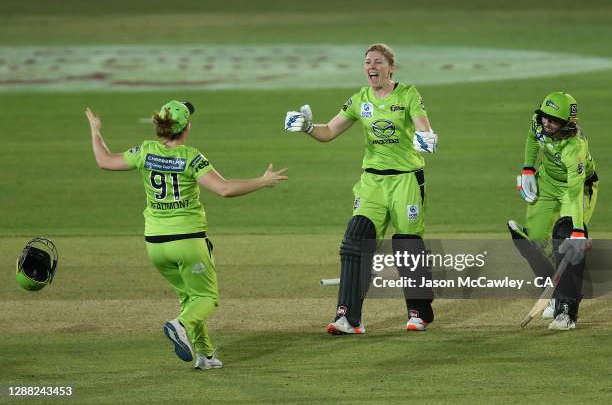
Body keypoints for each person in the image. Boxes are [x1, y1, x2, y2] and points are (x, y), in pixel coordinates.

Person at [86, 100, 288, 368]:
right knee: (206, 298)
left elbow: (104, 160)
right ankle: (178, 324)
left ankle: (204, 354)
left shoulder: (145, 151)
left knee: (189, 298)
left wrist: (95, 130)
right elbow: (224, 189)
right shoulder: (191, 157)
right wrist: (262, 181)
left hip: (155, 244)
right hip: (187, 241)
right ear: (186, 127)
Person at [284, 43, 438, 334]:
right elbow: (329, 131)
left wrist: (426, 138)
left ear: (390, 67)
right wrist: (306, 126)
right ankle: (349, 317)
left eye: (378, 62)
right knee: (354, 241)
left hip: (406, 179)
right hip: (372, 182)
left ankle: (420, 311)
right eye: (368, 62)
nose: (372, 67)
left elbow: (422, 127)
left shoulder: (408, 94)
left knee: (407, 246)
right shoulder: (359, 99)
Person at [508, 92, 598, 330]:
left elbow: (575, 189)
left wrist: (578, 230)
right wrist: (528, 169)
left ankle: (567, 312)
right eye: (544, 117)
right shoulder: (539, 123)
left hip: (575, 188)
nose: (546, 123)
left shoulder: (574, 148)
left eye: (553, 120)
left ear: (567, 124)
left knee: (565, 237)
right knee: (535, 238)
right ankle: (555, 292)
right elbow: (531, 137)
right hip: (547, 181)